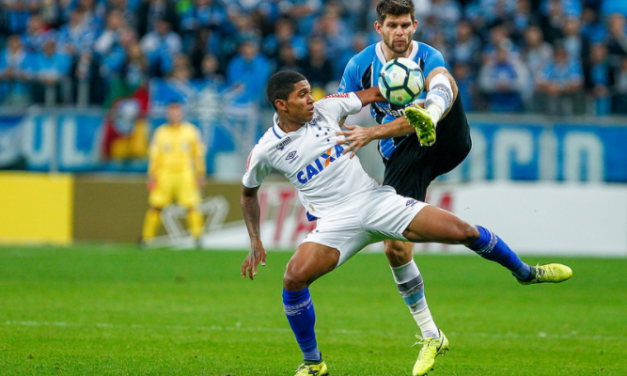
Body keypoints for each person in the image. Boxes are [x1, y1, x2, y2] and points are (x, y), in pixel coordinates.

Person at [241, 71, 573, 376]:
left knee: (464, 232)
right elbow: (248, 194)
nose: (311, 98)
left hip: (375, 202)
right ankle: (313, 364)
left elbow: (373, 93)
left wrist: (414, 95)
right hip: (334, 222)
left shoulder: (328, 109)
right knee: (293, 278)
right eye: (302, 95)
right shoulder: (267, 150)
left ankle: (526, 273)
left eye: (309, 91)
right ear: (281, 105)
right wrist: (256, 241)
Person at [336, 0, 474, 368]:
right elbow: (339, 112)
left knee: (445, 82)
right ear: (379, 28)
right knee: (395, 249)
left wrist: (378, 129)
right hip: (401, 154)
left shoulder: (428, 55)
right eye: (392, 26)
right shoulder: (360, 66)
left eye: (405, 25)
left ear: (415, 25)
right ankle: (432, 334)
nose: (400, 32)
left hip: (445, 136)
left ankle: (427, 112)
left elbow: (438, 79)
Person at [141, 102, 205, 247]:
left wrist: (200, 173)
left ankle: (198, 238)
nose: (175, 115)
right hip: (165, 174)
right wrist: (152, 175)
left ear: (182, 113)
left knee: (192, 205)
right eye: (172, 112)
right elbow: (154, 156)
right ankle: (146, 239)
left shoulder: (191, 131)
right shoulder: (160, 132)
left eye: (177, 112)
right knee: (156, 205)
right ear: (167, 114)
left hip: (185, 173)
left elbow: (198, 154)